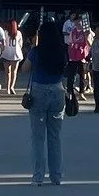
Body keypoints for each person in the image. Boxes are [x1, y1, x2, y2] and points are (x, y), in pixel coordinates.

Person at [27, 11, 67, 185]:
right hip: (58, 91)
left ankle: (38, 177)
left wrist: (33, 46)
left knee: (38, 137)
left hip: (39, 91)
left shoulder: (37, 51)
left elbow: (24, 69)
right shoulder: (61, 52)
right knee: (55, 136)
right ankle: (56, 176)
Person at [64, 13, 91, 104]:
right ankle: (69, 91)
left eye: (79, 21)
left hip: (82, 56)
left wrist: (87, 36)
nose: (78, 23)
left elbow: (90, 43)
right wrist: (70, 53)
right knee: (71, 75)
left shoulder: (87, 31)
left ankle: (81, 92)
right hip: (73, 55)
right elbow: (70, 42)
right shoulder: (73, 31)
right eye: (76, 21)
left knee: (82, 75)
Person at [1, 15, 23, 95]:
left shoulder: (5, 33)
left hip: (6, 53)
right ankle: (12, 87)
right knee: (14, 72)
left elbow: (2, 43)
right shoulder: (18, 33)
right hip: (15, 54)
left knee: (7, 72)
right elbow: (20, 44)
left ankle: (7, 88)